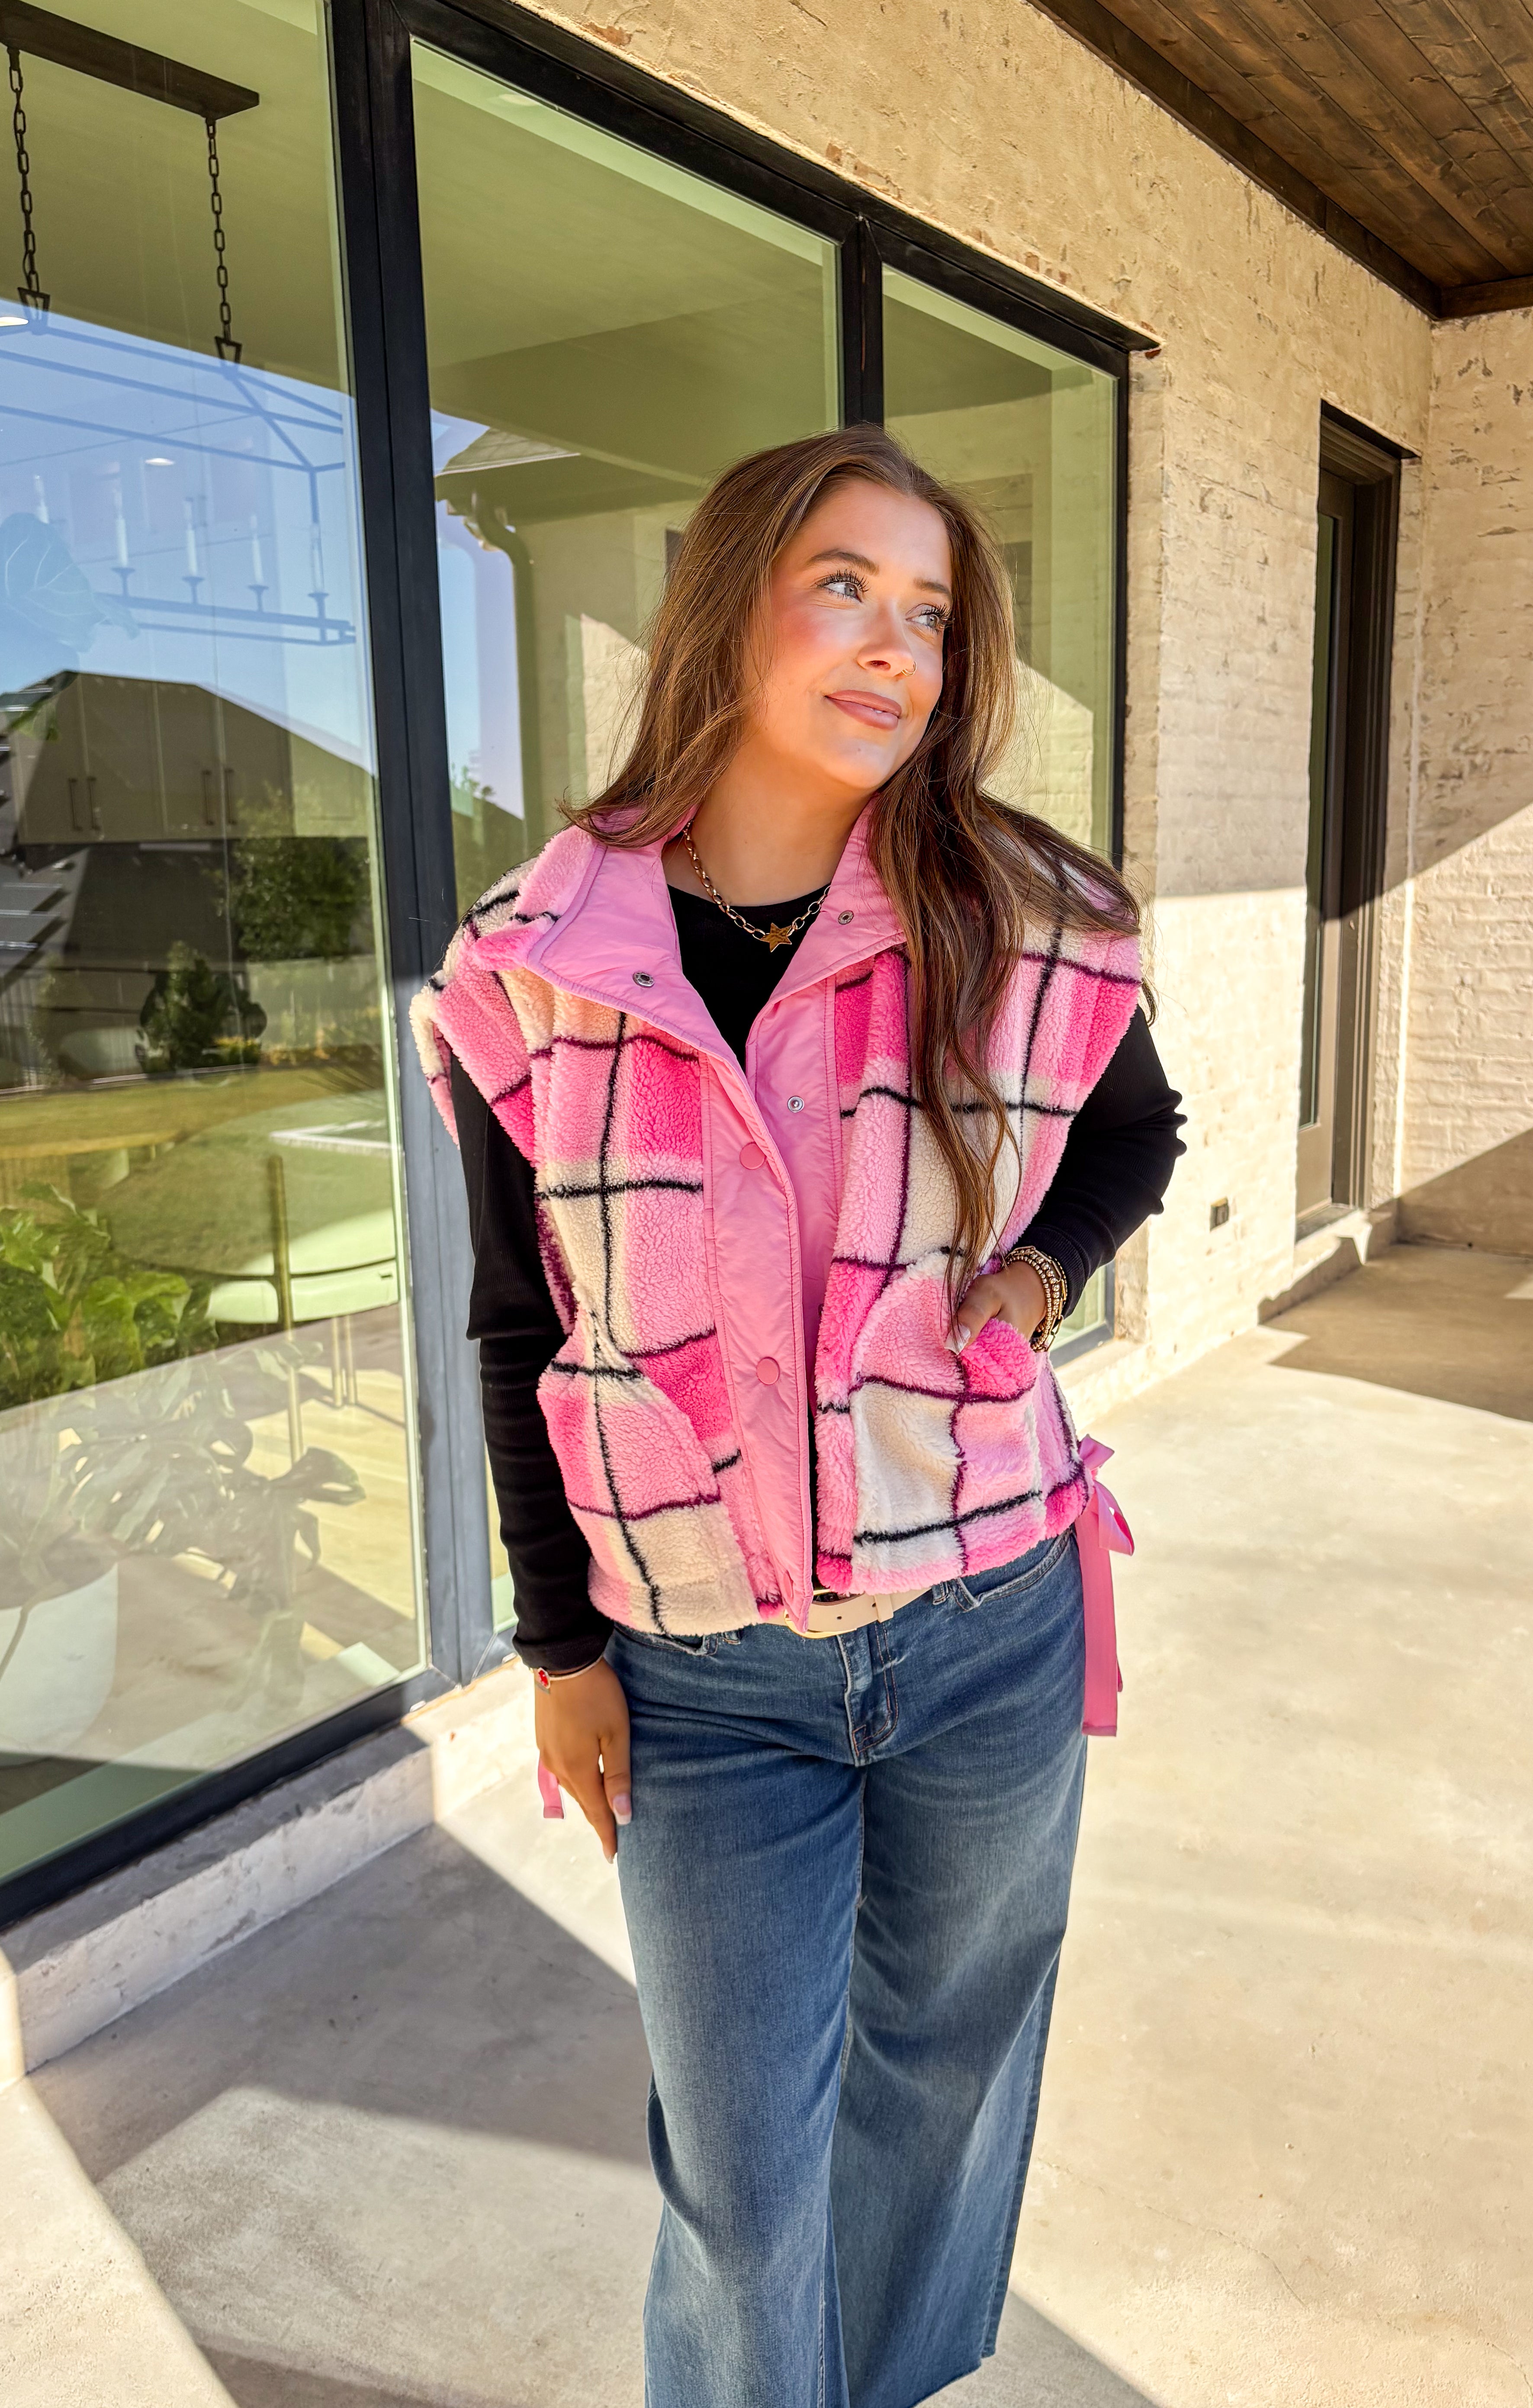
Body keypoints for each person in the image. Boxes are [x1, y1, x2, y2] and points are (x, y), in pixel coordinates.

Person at [413, 424, 1183, 2408]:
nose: (895, 649)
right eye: (844, 586)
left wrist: (1035, 1276)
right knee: (743, 2178)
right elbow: (523, 1322)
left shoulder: (1024, 918)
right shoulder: (537, 963)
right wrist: (559, 1648)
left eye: (929, 615)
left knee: (936, 2098)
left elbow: (1132, 1129)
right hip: (700, 1679)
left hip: (988, 1622)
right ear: (729, 600)